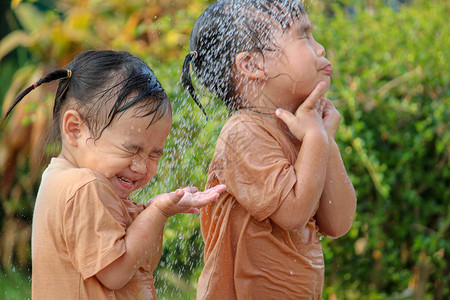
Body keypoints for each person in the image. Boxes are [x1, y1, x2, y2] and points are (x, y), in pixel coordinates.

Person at [1, 50, 226, 299]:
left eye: (154, 155)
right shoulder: (86, 187)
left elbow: (142, 263)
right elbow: (117, 272)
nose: (142, 166)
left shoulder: (64, 180)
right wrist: (158, 211)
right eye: (131, 149)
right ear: (75, 129)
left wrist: (152, 215)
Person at [181, 0, 357, 299]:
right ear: (252, 65)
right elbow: (293, 213)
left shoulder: (303, 129)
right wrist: (315, 139)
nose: (320, 48)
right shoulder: (243, 134)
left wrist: (324, 138)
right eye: (304, 35)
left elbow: (338, 221)